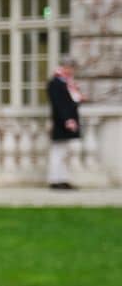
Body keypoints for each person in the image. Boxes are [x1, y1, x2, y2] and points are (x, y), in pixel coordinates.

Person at [47, 55, 84, 190]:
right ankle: (55, 180)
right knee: (57, 152)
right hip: (61, 122)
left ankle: (63, 179)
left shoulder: (68, 83)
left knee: (65, 152)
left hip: (67, 121)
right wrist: (67, 119)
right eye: (69, 67)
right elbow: (59, 105)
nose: (71, 70)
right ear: (64, 67)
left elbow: (70, 102)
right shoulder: (55, 83)